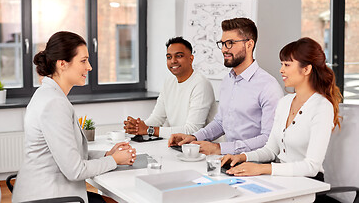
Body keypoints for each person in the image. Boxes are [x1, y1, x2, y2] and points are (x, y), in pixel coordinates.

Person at [12, 31, 136, 203]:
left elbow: (70, 154)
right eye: (83, 61)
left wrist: (107, 154)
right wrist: (113, 160)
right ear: (63, 64)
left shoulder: (49, 95)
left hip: (48, 191)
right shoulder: (53, 103)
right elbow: (75, 170)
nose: (89, 67)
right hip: (50, 196)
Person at [221, 37, 341, 183]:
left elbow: (311, 166)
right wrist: (241, 157)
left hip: (309, 184)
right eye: (281, 64)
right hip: (280, 179)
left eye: (287, 65)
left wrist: (262, 169)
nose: (281, 70)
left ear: (306, 69)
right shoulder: (285, 102)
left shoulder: (322, 107)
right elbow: (270, 150)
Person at [169, 18, 284, 155]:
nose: (224, 49)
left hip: (255, 164)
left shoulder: (268, 86)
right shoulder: (227, 81)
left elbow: (269, 139)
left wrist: (220, 148)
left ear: (249, 45)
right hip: (228, 160)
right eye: (222, 43)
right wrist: (194, 138)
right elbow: (221, 122)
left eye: (230, 43)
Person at [124, 37, 216, 139]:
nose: (173, 61)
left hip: (203, 150)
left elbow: (192, 130)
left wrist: (148, 130)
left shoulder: (201, 84)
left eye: (179, 56)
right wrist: (137, 127)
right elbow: (157, 118)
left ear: (191, 59)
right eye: (169, 57)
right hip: (176, 144)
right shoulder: (169, 82)